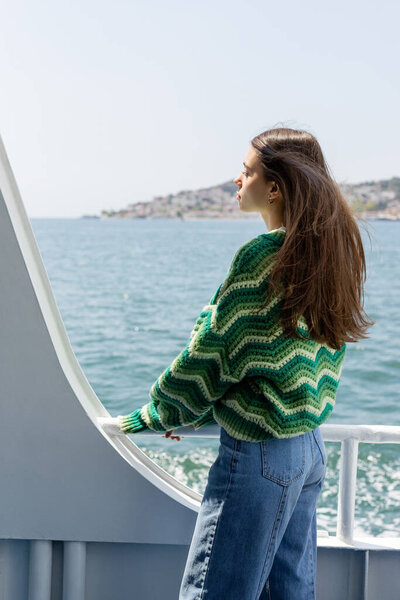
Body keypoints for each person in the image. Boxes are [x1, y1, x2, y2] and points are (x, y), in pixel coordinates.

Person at [117, 126, 375, 599]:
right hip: (308, 449)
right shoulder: (329, 252)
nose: (237, 180)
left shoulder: (265, 258)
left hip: (261, 453)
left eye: (246, 170)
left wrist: (158, 413)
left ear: (274, 187)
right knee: (290, 593)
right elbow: (269, 353)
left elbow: (214, 353)